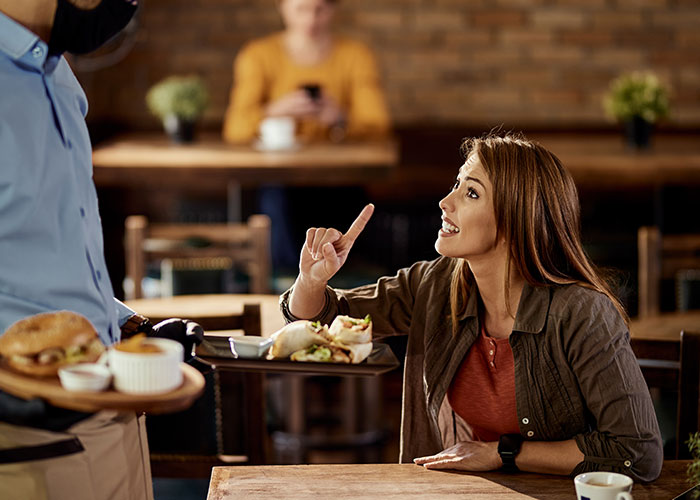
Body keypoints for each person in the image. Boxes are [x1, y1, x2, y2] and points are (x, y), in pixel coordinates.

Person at [280, 132, 663, 481]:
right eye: (456, 186)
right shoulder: (433, 284)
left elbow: (636, 451)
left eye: (472, 193)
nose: (445, 203)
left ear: (516, 219)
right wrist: (311, 281)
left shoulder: (581, 313)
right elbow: (322, 318)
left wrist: (502, 454)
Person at [0, 2, 199, 499]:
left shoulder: (56, 74)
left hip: (112, 409)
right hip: (32, 433)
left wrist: (122, 320)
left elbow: (47, 237)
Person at [222, 0, 391, 145]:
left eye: (319, 10)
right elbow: (235, 131)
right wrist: (275, 112)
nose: (310, 20)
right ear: (281, 6)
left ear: (333, 8)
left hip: (338, 172)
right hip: (277, 171)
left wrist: (340, 119)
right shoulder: (257, 56)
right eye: (301, 9)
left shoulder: (357, 56)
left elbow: (378, 127)